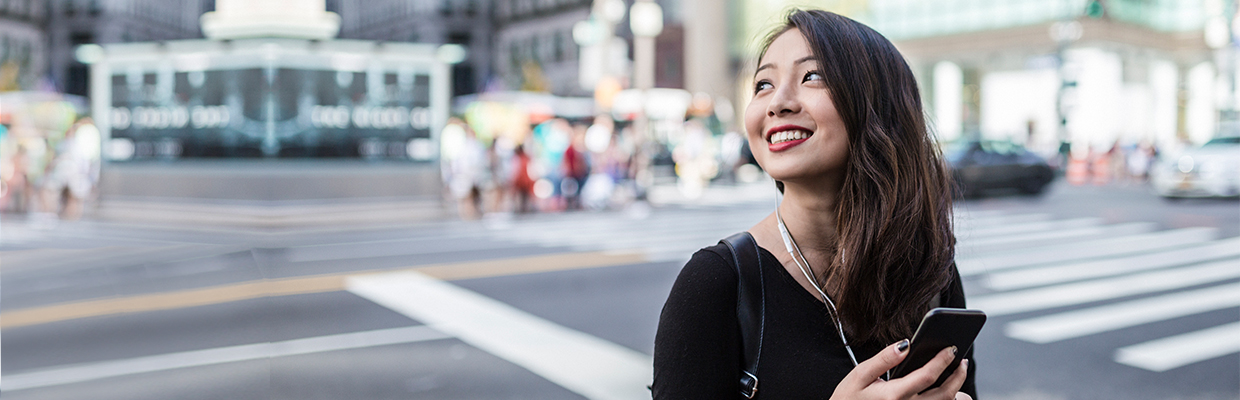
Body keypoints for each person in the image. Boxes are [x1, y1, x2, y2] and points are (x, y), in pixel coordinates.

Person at [653, 10, 976, 400]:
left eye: (812, 76)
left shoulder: (930, 270)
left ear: (879, 106)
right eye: (763, 84)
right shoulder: (716, 284)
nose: (778, 103)